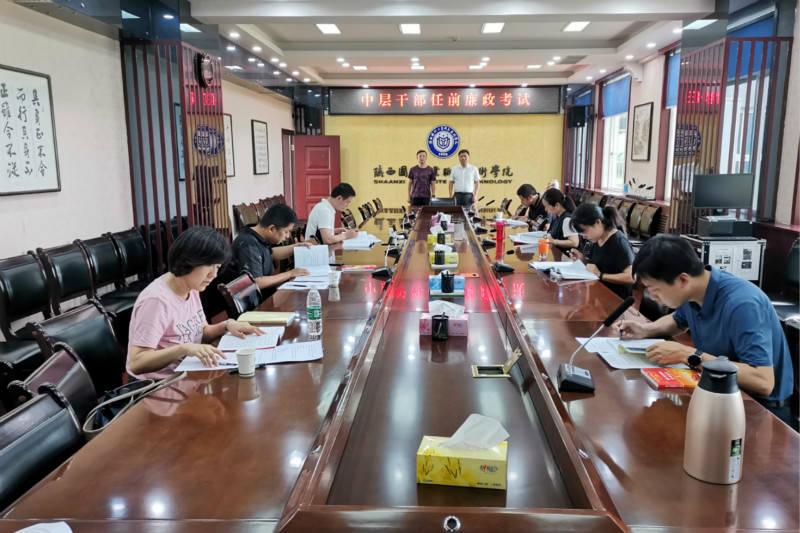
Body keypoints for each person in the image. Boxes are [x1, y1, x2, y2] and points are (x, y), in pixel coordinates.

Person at [620, 234, 794, 425]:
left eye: (655, 289)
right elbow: (677, 322)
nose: (652, 297)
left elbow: (763, 381)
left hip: (759, 409)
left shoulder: (742, 304)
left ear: (683, 280)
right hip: (719, 391)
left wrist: (689, 355)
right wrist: (644, 330)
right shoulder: (696, 290)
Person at [127, 226, 262, 380]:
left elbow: (200, 333)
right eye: (210, 266)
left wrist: (226, 325)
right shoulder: (156, 301)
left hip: (186, 373)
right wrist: (183, 349)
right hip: (158, 384)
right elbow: (137, 363)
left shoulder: (191, 286)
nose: (214, 274)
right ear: (189, 260)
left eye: (217, 267)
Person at [229, 203, 313, 299]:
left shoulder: (257, 235)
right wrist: (290, 274)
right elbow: (256, 282)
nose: (288, 236)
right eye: (286, 231)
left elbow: (270, 254)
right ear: (271, 228)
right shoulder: (248, 245)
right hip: (255, 303)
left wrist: (297, 246)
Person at [567, 203, 634, 299]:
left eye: (584, 231)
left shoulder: (619, 242)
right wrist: (583, 260)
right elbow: (599, 265)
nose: (584, 236)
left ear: (598, 223)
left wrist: (601, 275)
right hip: (599, 292)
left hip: (616, 298)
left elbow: (631, 277)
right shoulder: (596, 239)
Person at [541, 188, 579, 253]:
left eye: (546, 206)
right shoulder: (557, 216)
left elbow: (574, 243)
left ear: (557, 205)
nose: (545, 209)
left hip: (567, 256)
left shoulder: (567, 219)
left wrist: (554, 241)